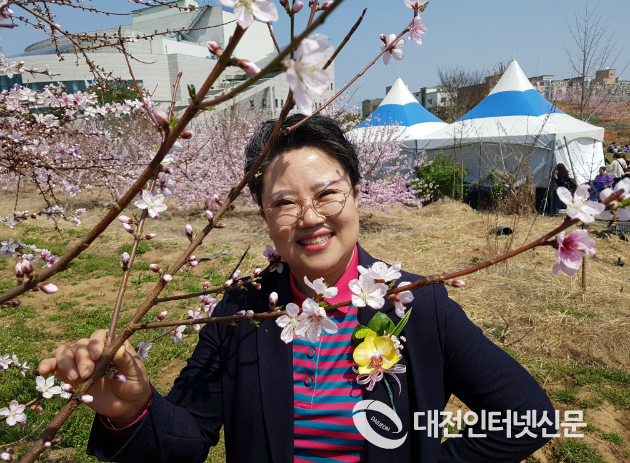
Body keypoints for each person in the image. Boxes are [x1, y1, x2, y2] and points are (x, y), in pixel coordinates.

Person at [39, 115, 556, 463]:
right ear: (265, 216)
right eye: (285, 202)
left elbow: (528, 417)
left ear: (357, 195)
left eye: (327, 194)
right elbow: (190, 439)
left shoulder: (415, 304)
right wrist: (134, 410)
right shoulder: (243, 312)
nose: (309, 218)